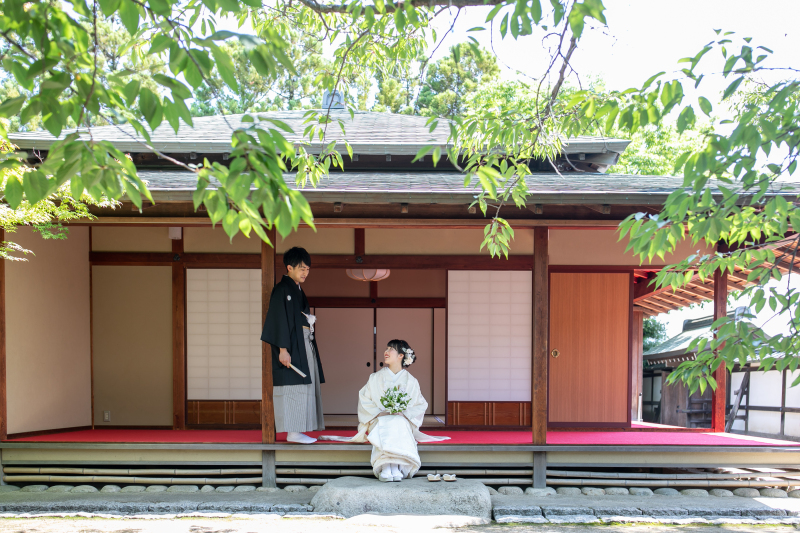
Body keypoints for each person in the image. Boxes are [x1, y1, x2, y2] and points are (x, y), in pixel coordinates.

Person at [319, 339, 448, 481]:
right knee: (387, 421)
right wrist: (380, 412)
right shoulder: (375, 377)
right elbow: (365, 399)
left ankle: (392, 466)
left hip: (402, 421)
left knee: (397, 421)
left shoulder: (411, 381)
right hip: (379, 419)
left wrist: (403, 413)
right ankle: (388, 466)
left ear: (401, 355)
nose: (386, 352)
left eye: (391, 349)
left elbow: (420, 404)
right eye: (386, 348)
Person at [261, 247, 325, 444]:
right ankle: (293, 432)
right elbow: (278, 319)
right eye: (301, 269)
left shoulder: (296, 289)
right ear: (289, 267)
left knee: (305, 382)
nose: (305, 273)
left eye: (307, 269)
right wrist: (282, 349)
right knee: (294, 384)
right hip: (291, 345)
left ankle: (300, 430)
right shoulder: (282, 289)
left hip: (303, 341)